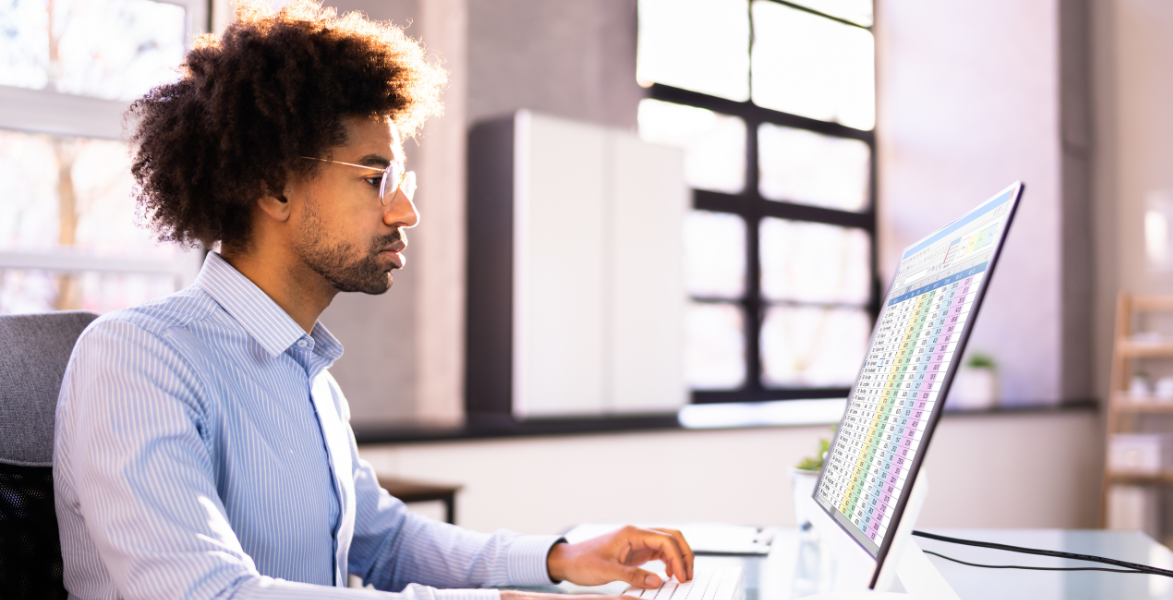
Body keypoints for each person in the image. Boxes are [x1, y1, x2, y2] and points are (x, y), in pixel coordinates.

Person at [52, 1, 693, 599]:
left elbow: (387, 541)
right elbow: (212, 594)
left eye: (401, 180)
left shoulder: (312, 383)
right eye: (375, 178)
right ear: (274, 187)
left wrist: (559, 557)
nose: (406, 210)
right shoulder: (136, 358)